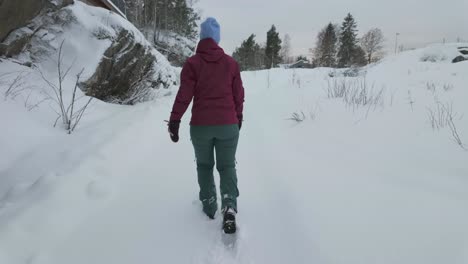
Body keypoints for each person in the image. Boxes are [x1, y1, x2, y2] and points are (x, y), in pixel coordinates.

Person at [167, 17, 245, 234]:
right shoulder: (231, 64)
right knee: (227, 166)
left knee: (204, 166)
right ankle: (229, 205)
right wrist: (238, 118)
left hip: (201, 126)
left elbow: (184, 95)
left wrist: (175, 120)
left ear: (202, 38)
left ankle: (210, 205)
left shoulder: (192, 64)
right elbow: (239, 95)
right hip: (228, 125)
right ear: (217, 39)